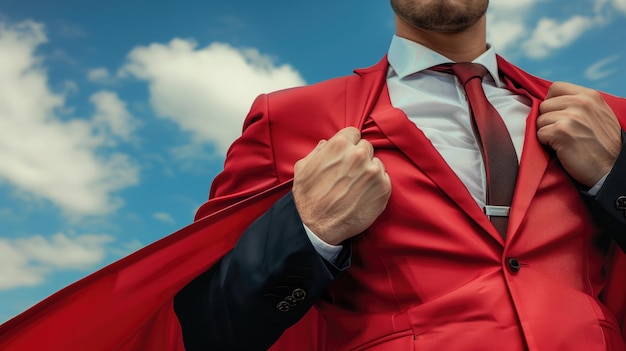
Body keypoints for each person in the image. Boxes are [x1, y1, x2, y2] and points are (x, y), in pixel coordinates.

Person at [173, 0, 626, 350]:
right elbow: (207, 328)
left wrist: (615, 180)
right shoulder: (286, 119)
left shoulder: (607, 119)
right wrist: (309, 229)